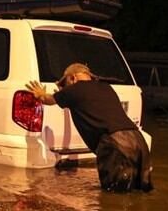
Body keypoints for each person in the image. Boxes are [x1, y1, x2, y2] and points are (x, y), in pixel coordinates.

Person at [25, 63, 153, 192]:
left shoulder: (74, 90)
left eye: (65, 83)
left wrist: (40, 93)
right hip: (138, 140)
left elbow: (48, 99)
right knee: (141, 192)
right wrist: (64, 92)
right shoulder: (105, 87)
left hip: (116, 144)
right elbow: (84, 101)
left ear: (72, 78)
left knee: (114, 196)